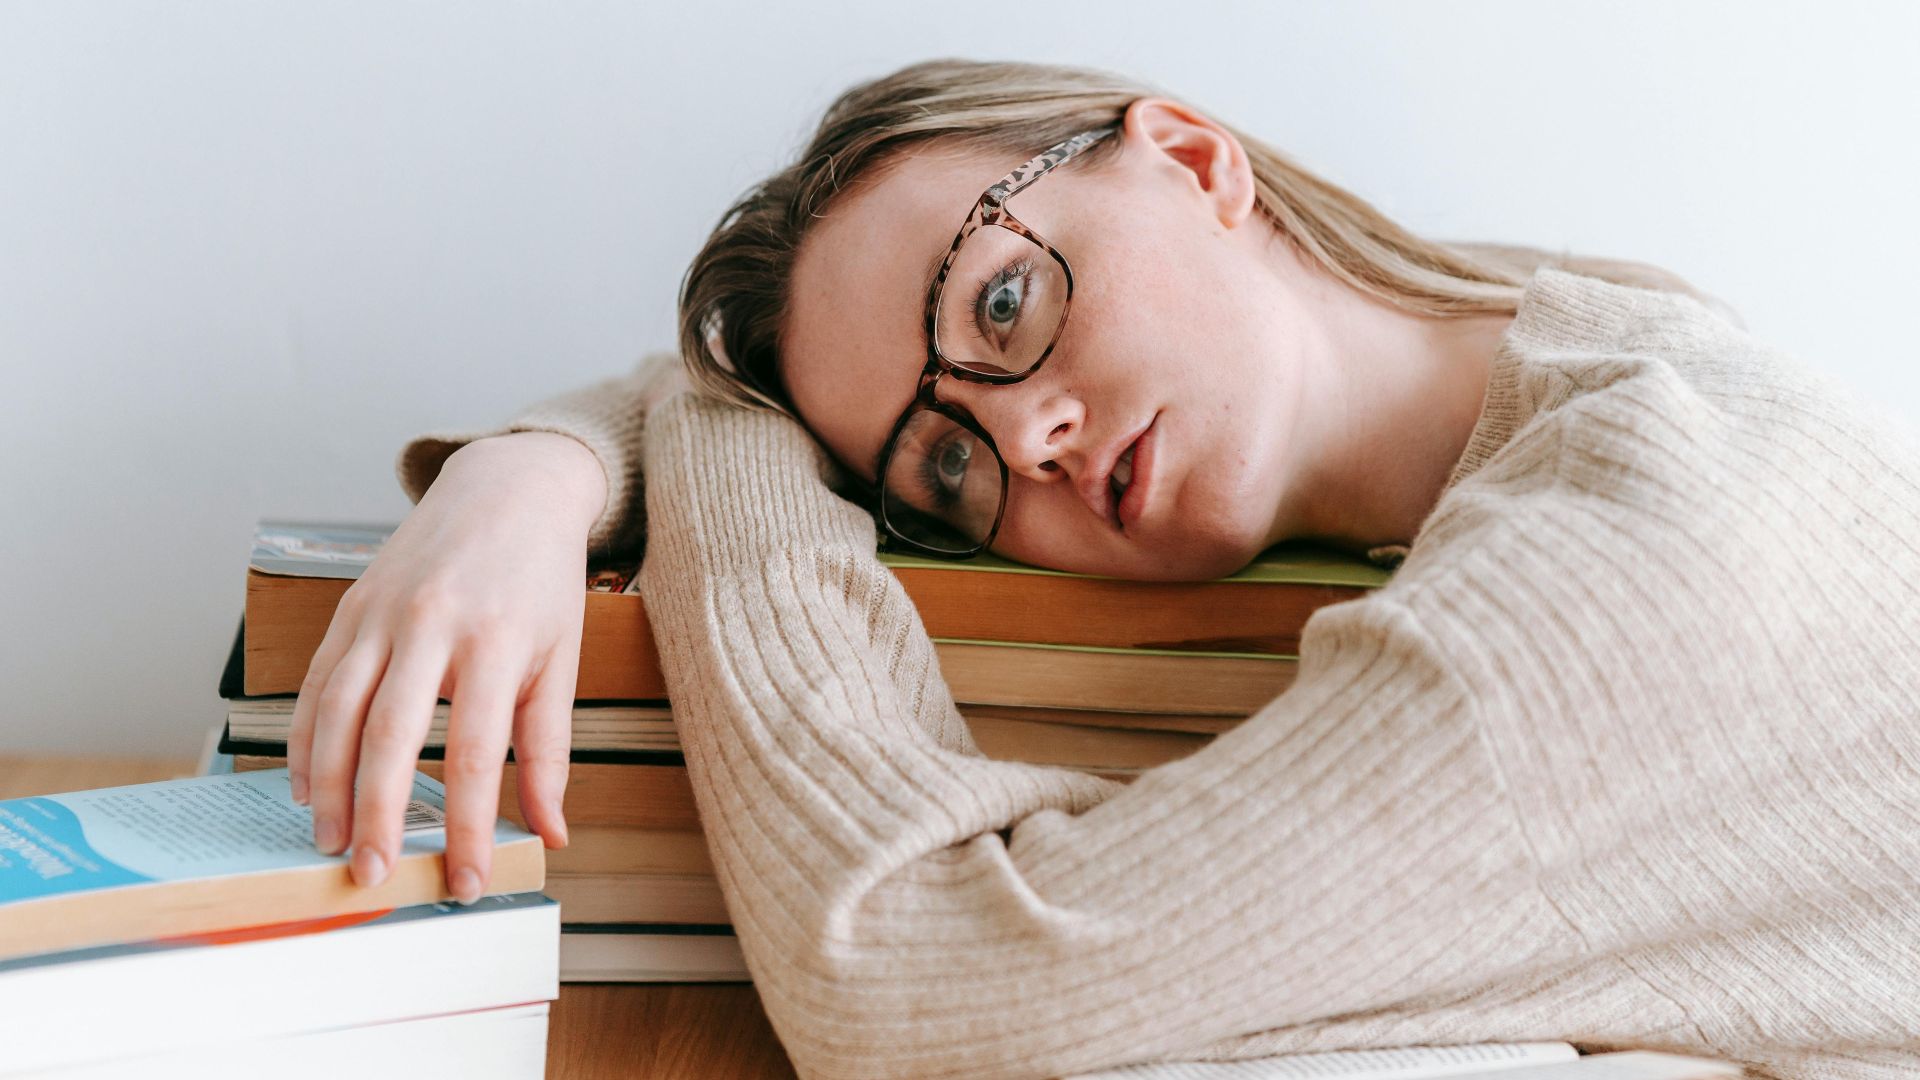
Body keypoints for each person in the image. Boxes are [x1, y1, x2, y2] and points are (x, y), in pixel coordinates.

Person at [285, 59, 1920, 1079]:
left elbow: (906, 975)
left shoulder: (1618, 553)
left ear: (1195, 161)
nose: (1032, 443)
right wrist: (538, 462)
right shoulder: (1572, 325)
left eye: (1001, 306)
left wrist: (694, 423)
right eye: (939, 466)